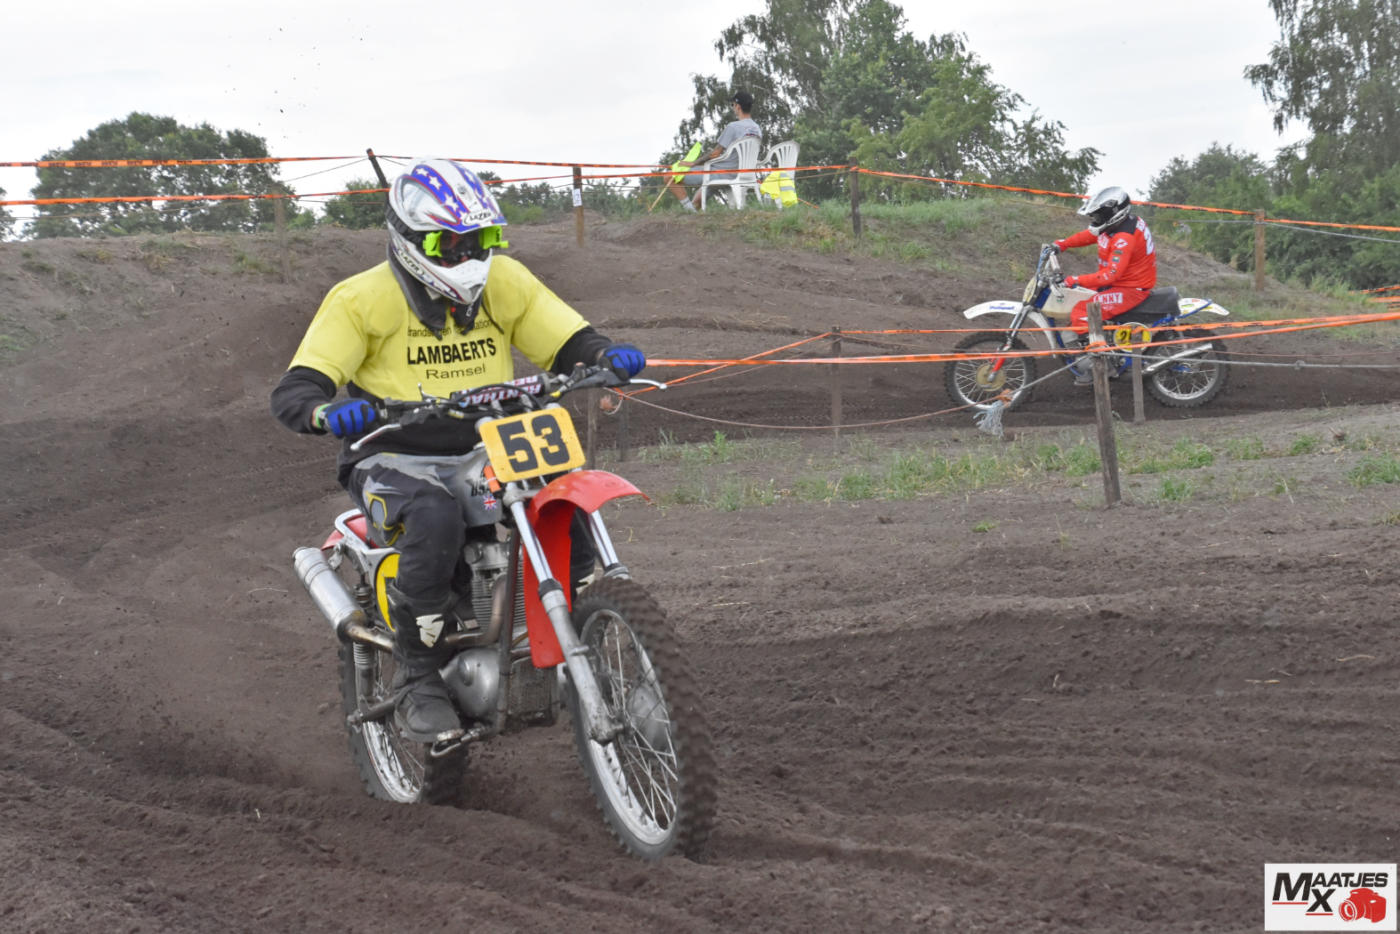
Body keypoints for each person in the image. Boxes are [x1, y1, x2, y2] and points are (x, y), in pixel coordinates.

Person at [271, 158, 646, 745]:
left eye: (481, 239)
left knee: (561, 486)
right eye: (449, 244)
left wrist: (602, 355)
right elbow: (298, 387)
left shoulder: (506, 281)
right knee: (433, 515)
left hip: (490, 441)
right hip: (392, 454)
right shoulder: (360, 298)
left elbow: (568, 339)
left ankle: (579, 621)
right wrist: (326, 411)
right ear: (410, 239)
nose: (468, 254)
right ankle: (417, 674)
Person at [1050, 186, 1158, 383]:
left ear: (1114, 213)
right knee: (1080, 299)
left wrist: (1075, 280)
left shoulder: (1124, 238)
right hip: (1122, 282)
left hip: (1130, 288)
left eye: (1099, 216)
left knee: (1082, 311)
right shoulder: (1116, 226)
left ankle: (1102, 368)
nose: (1095, 220)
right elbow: (1092, 234)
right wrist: (1063, 244)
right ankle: (1099, 347)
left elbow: (1110, 275)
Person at [667, 90, 763, 211]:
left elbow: (715, 154)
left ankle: (689, 212)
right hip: (742, 174)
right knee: (697, 202)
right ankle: (691, 214)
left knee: (669, 176)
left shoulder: (733, 127)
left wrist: (693, 163)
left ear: (738, 106)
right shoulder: (757, 129)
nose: (733, 107)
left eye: (732, 105)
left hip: (721, 174)